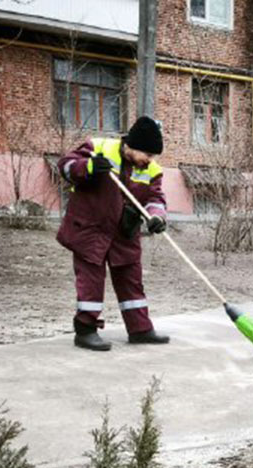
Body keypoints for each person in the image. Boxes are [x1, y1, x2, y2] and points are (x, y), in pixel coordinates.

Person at [56, 116, 171, 350]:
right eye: (147, 155)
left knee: (132, 280)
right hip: (90, 228)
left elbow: (155, 198)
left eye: (152, 157)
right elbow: (65, 166)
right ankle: (86, 330)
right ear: (133, 146)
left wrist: (156, 216)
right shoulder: (98, 148)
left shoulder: (152, 170)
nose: (149, 161)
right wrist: (88, 167)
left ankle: (140, 329)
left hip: (124, 233)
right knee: (90, 281)